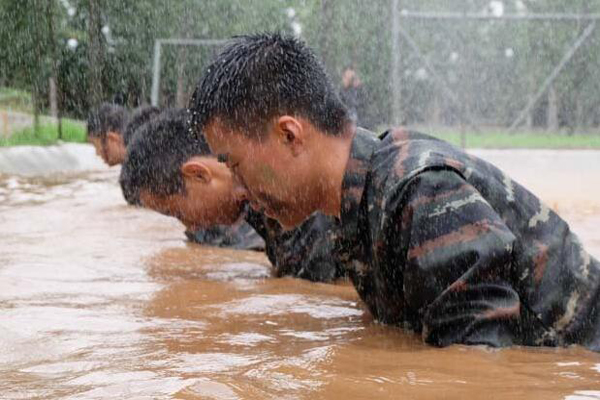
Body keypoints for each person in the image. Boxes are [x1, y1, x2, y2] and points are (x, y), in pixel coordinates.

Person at [189, 32, 600, 351]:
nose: (240, 190)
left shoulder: (417, 190)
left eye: (236, 165)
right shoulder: (352, 206)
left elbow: (480, 371)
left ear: (289, 134)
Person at [120, 108, 344, 281]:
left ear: (198, 174)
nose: (190, 226)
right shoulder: (260, 204)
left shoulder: (290, 203)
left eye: (177, 212)